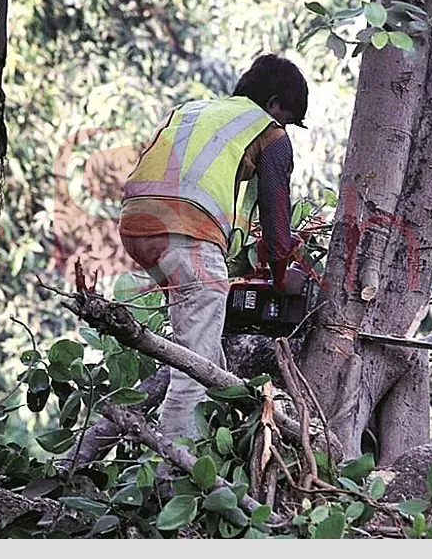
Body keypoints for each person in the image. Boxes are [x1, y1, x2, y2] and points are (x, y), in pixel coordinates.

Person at [119, 53, 310, 449]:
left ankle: (215, 434)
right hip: (186, 229)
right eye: (288, 118)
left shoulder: (193, 110)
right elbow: (276, 221)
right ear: (274, 105)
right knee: (196, 369)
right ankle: (175, 469)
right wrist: (279, 277)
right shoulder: (269, 132)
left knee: (199, 344)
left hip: (137, 223)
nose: (285, 126)